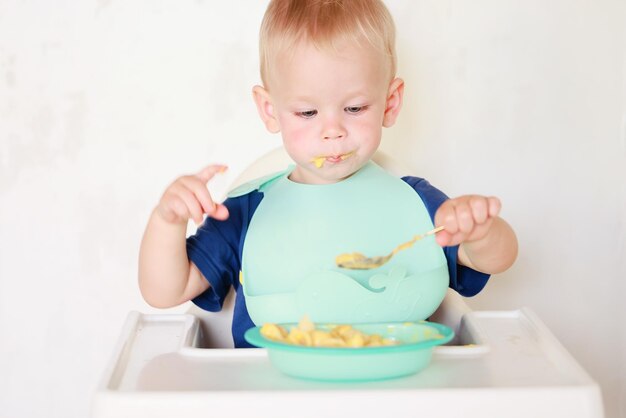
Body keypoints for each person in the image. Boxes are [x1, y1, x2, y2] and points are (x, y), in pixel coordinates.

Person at [138, 0, 518, 348]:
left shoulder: (412, 201)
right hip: (274, 395)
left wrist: (480, 231)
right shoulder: (247, 212)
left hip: (393, 391)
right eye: (307, 113)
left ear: (390, 102)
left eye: (354, 108)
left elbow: (494, 259)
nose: (332, 130)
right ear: (271, 111)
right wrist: (167, 221)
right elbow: (165, 291)